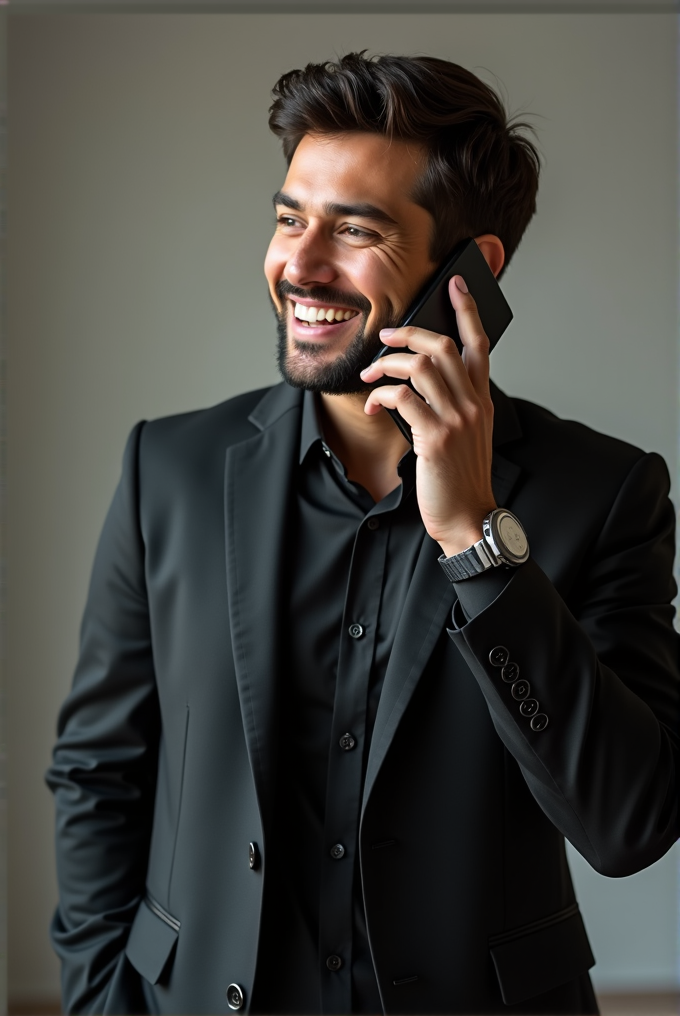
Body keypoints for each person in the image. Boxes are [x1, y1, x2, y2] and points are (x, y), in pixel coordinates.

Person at [47, 53, 679, 1016]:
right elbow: (100, 773)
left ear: (473, 269)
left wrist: (475, 541)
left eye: (355, 230)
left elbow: (629, 824)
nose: (298, 264)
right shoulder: (166, 472)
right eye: (290, 217)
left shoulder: (604, 494)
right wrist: (99, 1002)